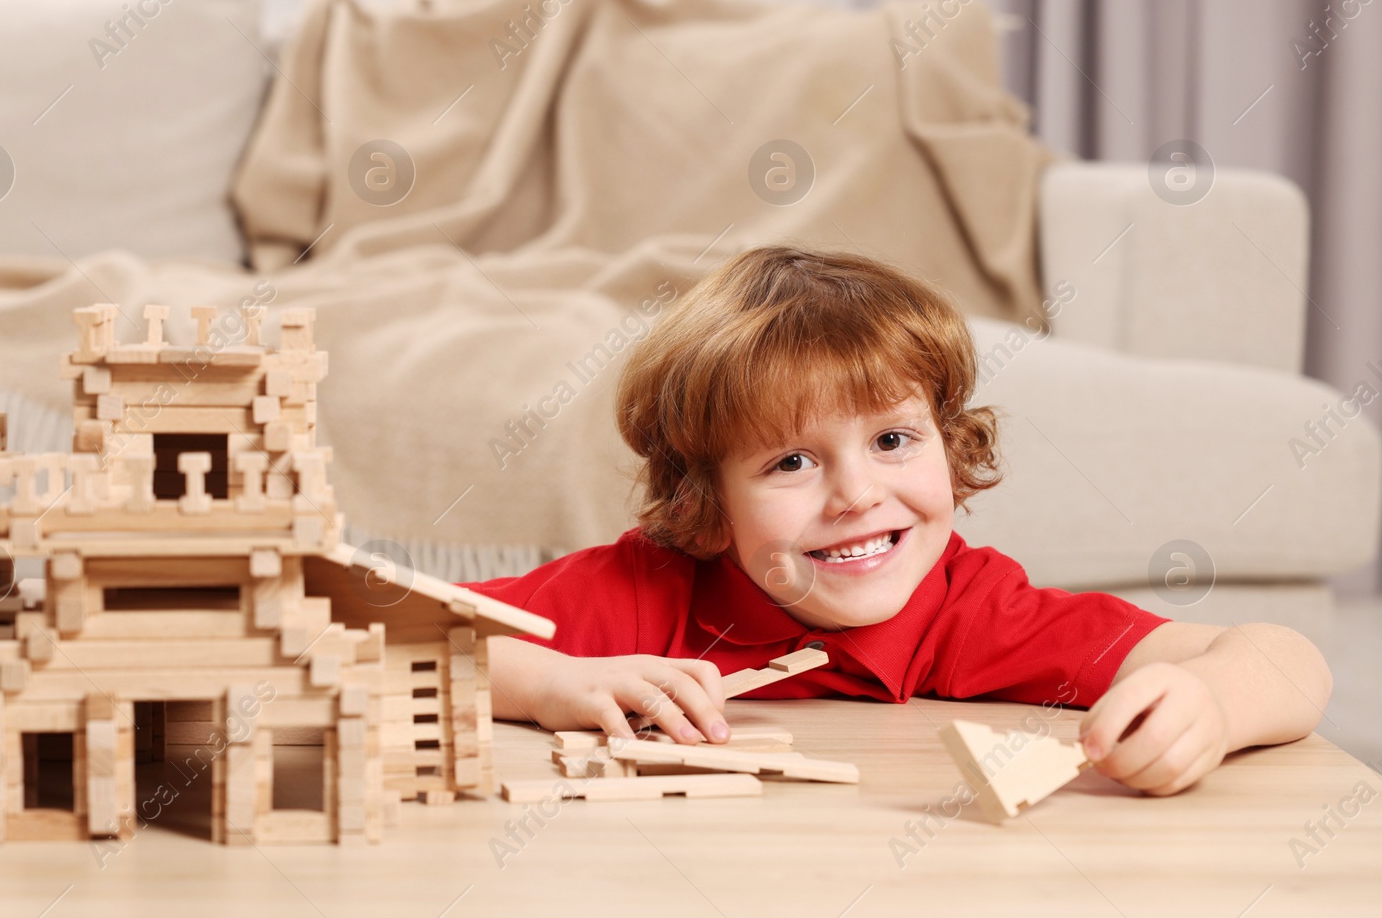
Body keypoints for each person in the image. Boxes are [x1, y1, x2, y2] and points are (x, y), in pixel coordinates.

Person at [460, 245, 1331, 796]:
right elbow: (379, 630)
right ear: (708, 503)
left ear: (950, 449)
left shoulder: (970, 608)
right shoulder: (646, 589)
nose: (856, 494)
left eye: (892, 439)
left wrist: (1212, 702)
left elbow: (1289, 662)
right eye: (792, 461)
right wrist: (548, 685)